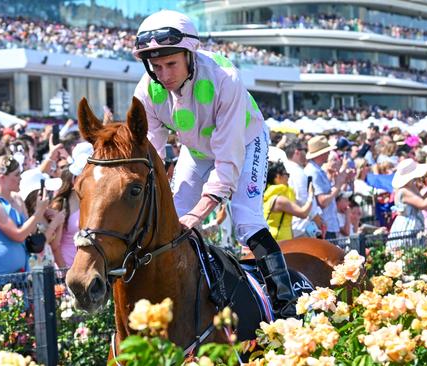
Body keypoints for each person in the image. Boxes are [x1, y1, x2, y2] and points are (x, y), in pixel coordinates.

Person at [132, 10, 298, 318]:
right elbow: (150, 154)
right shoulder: (146, 90)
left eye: (171, 64)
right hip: (196, 151)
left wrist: (201, 212)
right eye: (156, 66)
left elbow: (227, 159)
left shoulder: (225, 78)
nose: (164, 75)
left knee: (246, 220)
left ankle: (286, 307)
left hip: (245, 141)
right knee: (173, 220)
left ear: (190, 54)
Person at [0, 155, 50, 277]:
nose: (20, 178)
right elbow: (18, 235)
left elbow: (32, 230)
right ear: (2, 178)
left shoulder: (17, 198)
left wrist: (39, 210)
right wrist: (39, 212)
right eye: (17, 175)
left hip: (22, 270)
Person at [388, 159, 427, 247]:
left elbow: (421, 199)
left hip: (415, 223)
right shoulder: (404, 191)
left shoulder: (411, 186)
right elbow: (423, 204)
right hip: (407, 226)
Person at [263, 161, 314, 240]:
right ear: (278, 177)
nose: (288, 178)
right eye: (286, 175)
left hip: (276, 240)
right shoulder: (279, 200)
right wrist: (311, 195)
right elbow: (303, 213)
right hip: (280, 242)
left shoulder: (269, 196)